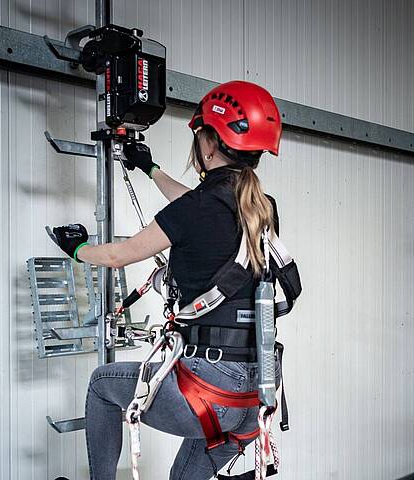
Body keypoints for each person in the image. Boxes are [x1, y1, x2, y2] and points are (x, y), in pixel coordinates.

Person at [52, 81, 284, 480]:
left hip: (207, 392)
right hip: (253, 397)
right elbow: (196, 204)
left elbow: (116, 255)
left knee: (101, 384)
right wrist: (149, 168)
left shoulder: (198, 208)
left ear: (209, 143)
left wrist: (76, 249)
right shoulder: (262, 208)